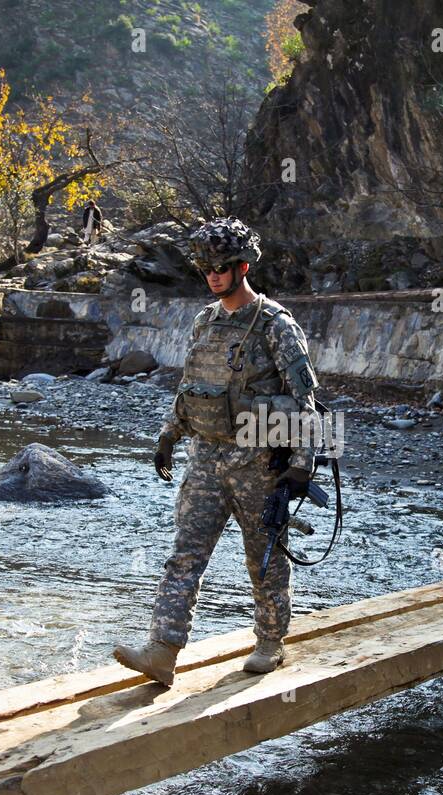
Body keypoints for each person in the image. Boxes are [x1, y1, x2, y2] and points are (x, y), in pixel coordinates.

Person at [111, 217, 320, 687]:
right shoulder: (206, 321)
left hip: (257, 460)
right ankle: (162, 650)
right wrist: (169, 435)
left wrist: (301, 466)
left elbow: (304, 402)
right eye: (207, 268)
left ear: (243, 266)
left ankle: (270, 641)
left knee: (262, 555)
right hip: (205, 457)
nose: (213, 275)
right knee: (185, 554)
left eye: (222, 267)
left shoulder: (275, 325)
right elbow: (191, 388)